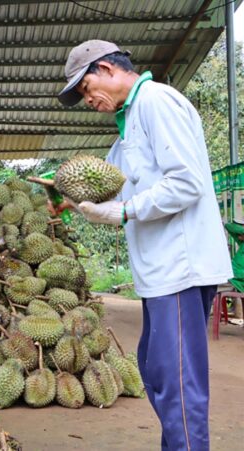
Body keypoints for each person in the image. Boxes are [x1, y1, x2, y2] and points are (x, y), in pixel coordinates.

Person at [55, 40, 232, 451]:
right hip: (157, 274)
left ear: (107, 68)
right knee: (154, 371)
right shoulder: (129, 121)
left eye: (86, 89)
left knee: (178, 385)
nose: (89, 100)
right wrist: (68, 193)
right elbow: (109, 179)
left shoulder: (156, 102)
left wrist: (123, 212)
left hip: (179, 269)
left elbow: (186, 183)